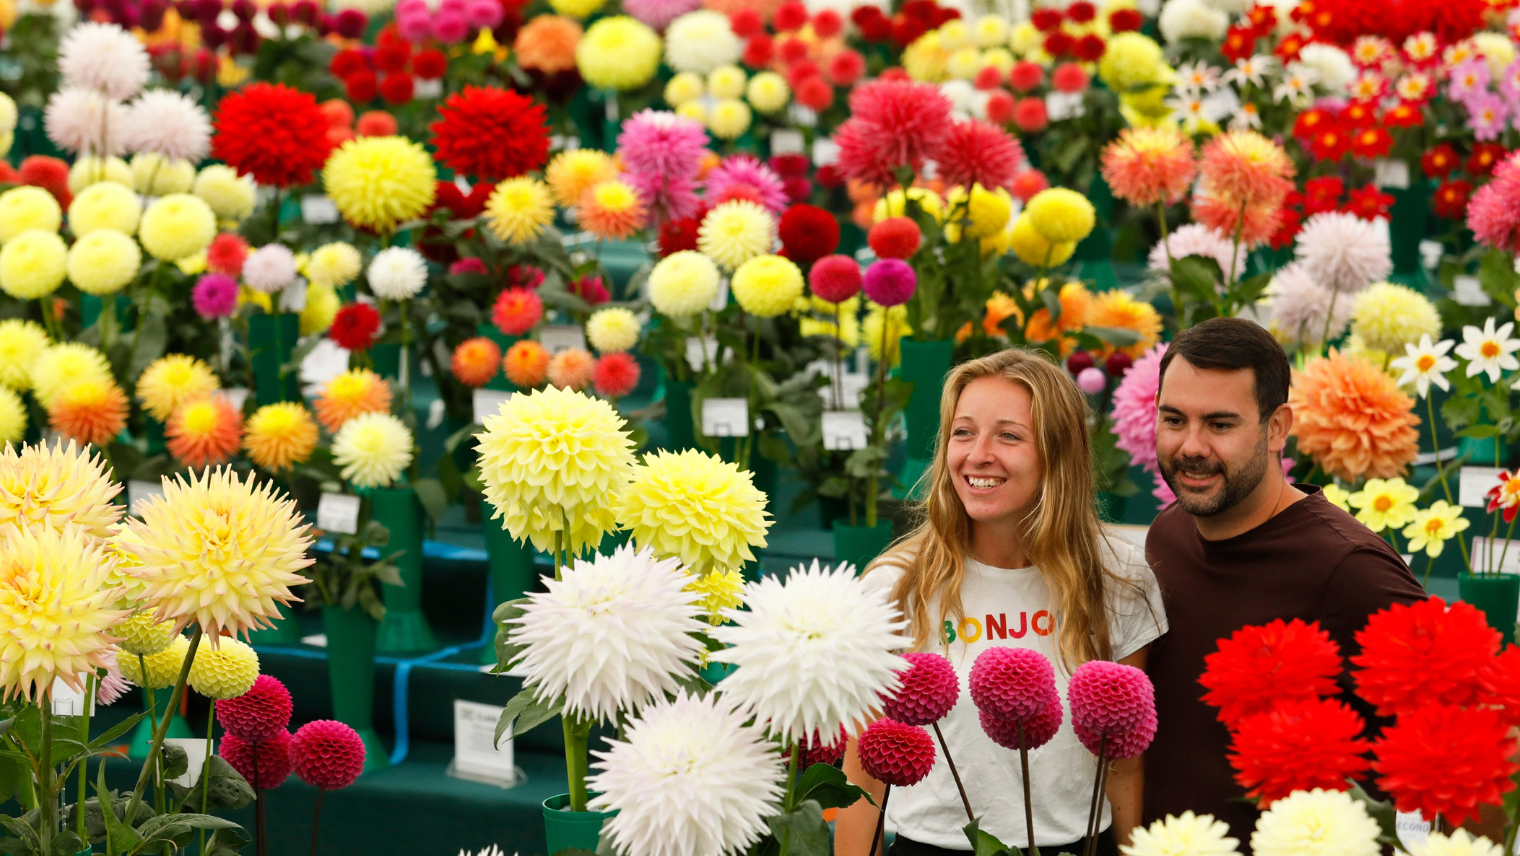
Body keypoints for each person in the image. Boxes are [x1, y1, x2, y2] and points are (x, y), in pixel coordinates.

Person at [836, 349, 1167, 856]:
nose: (977, 454)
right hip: (933, 847)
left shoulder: (1119, 578)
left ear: (1057, 454)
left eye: (1009, 435)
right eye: (963, 432)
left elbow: (1124, 760)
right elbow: (863, 771)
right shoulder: (896, 586)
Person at [1142, 317, 1426, 844]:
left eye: (1221, 424)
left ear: (1277, 427)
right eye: (1174, 419)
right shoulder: (1168, 534)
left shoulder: (1351, 570)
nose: (1192, 446)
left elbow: (1462, 748)